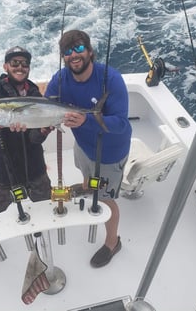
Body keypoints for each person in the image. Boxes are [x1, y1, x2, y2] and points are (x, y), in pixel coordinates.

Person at [45, 30, 132, 268]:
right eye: (68, 51)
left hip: (110, 152)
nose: (74, 55)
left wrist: (87, 121)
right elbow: (45, 106)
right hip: (83, 145)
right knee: (86, 177)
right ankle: (87, 187)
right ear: (63, 57)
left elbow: (121, 123)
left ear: (90, 52)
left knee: (105, 199)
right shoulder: (60, 79)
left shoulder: (111, 79)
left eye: (79, 48)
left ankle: (113, 242)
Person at [0, 46, 52, 268]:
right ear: (5, 66)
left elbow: (35, 138)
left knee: (44, 201)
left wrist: (44, 131)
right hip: (4, 166)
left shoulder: (36, 95)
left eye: (24, 64)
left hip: (34, 164)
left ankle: (41, 232)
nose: (20, 67)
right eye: (15, 63)